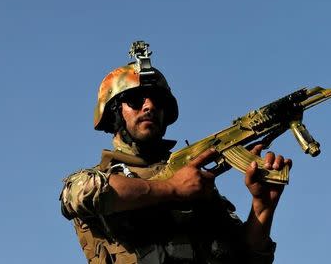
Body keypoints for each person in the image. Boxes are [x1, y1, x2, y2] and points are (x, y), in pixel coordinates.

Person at [60, 41, 292, 264]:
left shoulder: (194, 183)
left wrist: (262, 207)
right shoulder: (93, 181)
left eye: (158, 101)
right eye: (135, 100)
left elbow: (247, 258)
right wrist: (173, 188)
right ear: (115, 113)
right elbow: (80, 195)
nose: (149, 106)